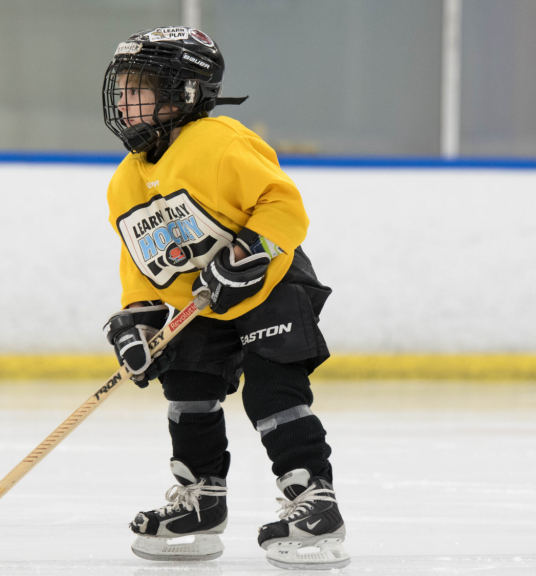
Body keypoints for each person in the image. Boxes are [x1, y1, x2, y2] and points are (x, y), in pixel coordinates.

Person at [100, 27, 350, 570]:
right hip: (203, 299)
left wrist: (248, 253)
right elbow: (140, 261)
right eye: (122, 87)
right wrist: (136, 321)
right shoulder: (124, 181)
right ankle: (201, 502)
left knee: (271, 390)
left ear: (184, 93)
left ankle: (314, 500)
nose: (124, 100)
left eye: (139, 87)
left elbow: (284, 204)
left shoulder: (220, 143)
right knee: (187, 388)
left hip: (272, 284)